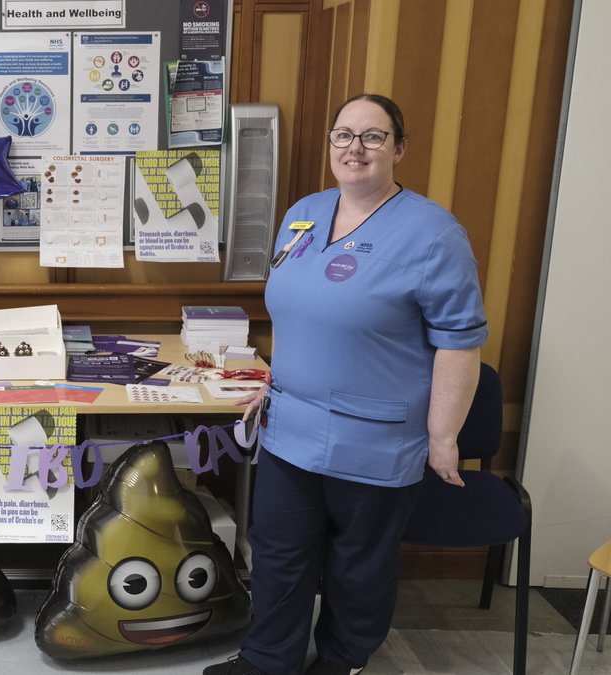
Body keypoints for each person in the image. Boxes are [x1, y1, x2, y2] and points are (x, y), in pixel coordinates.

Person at [204, 94, 487, 675]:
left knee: (359, 564)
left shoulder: (434, 234)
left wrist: (443, 436)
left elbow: (460, 342)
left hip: (377, 437)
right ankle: (267, 660)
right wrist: (274, 381)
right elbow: (300, 314)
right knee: (280, 555)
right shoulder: (304, 213)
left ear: (399, 149)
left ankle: (341, 660)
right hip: (290, 425)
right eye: (342, 135)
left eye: (373, 136)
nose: (354, 148)